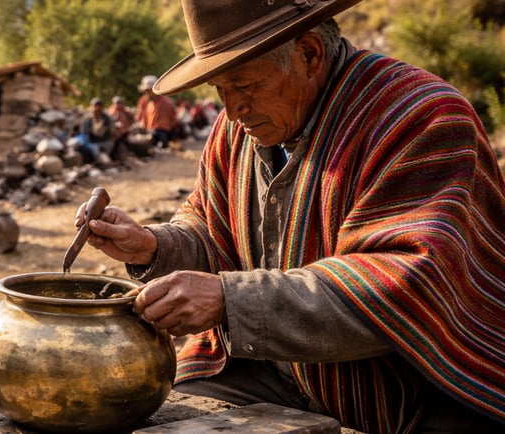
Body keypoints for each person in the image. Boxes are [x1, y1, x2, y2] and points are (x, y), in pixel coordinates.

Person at [76, 0, 505, 432]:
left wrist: (228, 299)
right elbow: (212, 230)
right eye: (219, 90)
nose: (231, 109)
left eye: (244, 84)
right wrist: (154, 245)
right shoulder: (238, 129)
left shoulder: (420, 118)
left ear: (310, 54)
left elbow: (400, 283)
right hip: (275, 372)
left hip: (418, 380)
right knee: (160, 414)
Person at [135, 74, 179, 151]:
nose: (147, 93)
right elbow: (139, 117)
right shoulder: (143, 101)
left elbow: (174, 119)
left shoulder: (166, 103)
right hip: (149, 130)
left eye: (149, 91)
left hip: (163, 131)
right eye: (146, 91)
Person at [79, 97, 114, 165]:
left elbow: (111, 130)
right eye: (96, 105)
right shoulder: (87, 119)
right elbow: (83, 132)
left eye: (99, 105)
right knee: (95, 150)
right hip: (92, 142)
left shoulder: (107, 118)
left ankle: (105, 160)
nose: (97, 107)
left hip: (104, 141)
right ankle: (99, 163)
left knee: (110, 146)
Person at [108, 95, 136, 163]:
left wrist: (128, 127)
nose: (118, 105)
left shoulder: (126, 112)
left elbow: (132, 121)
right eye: (117, 103)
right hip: (115, 134)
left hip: (125, 132)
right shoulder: (111, 112)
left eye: (120, 103)